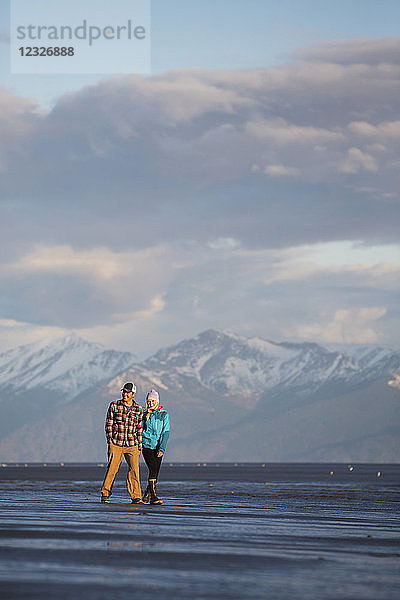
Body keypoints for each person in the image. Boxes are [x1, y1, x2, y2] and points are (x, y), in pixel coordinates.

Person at [100, 382, 144, 504]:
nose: (124, 394)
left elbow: (139, 429)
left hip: (132, 444)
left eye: (127, 392)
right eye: (123, 391)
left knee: (134, 470)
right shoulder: (114, 405)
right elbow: (108, 424)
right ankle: (105, 493)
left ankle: (136, 496)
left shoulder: (139, 409)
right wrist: (110, 440)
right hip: (116, 443)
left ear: (133, 394)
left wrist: (139, 447)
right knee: (112, 469)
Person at [141, 389, 170, 505]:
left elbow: (166, 432)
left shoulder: (164, 414)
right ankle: (153, 496)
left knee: (155, 471)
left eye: (152, 401)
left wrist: (162, 448)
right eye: (148, 401)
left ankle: (146, 496)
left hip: (158, 447)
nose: (150, 403)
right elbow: (139, 430)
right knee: (153, 468)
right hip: (146, 445)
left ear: (157, 401)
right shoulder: (144, 414)